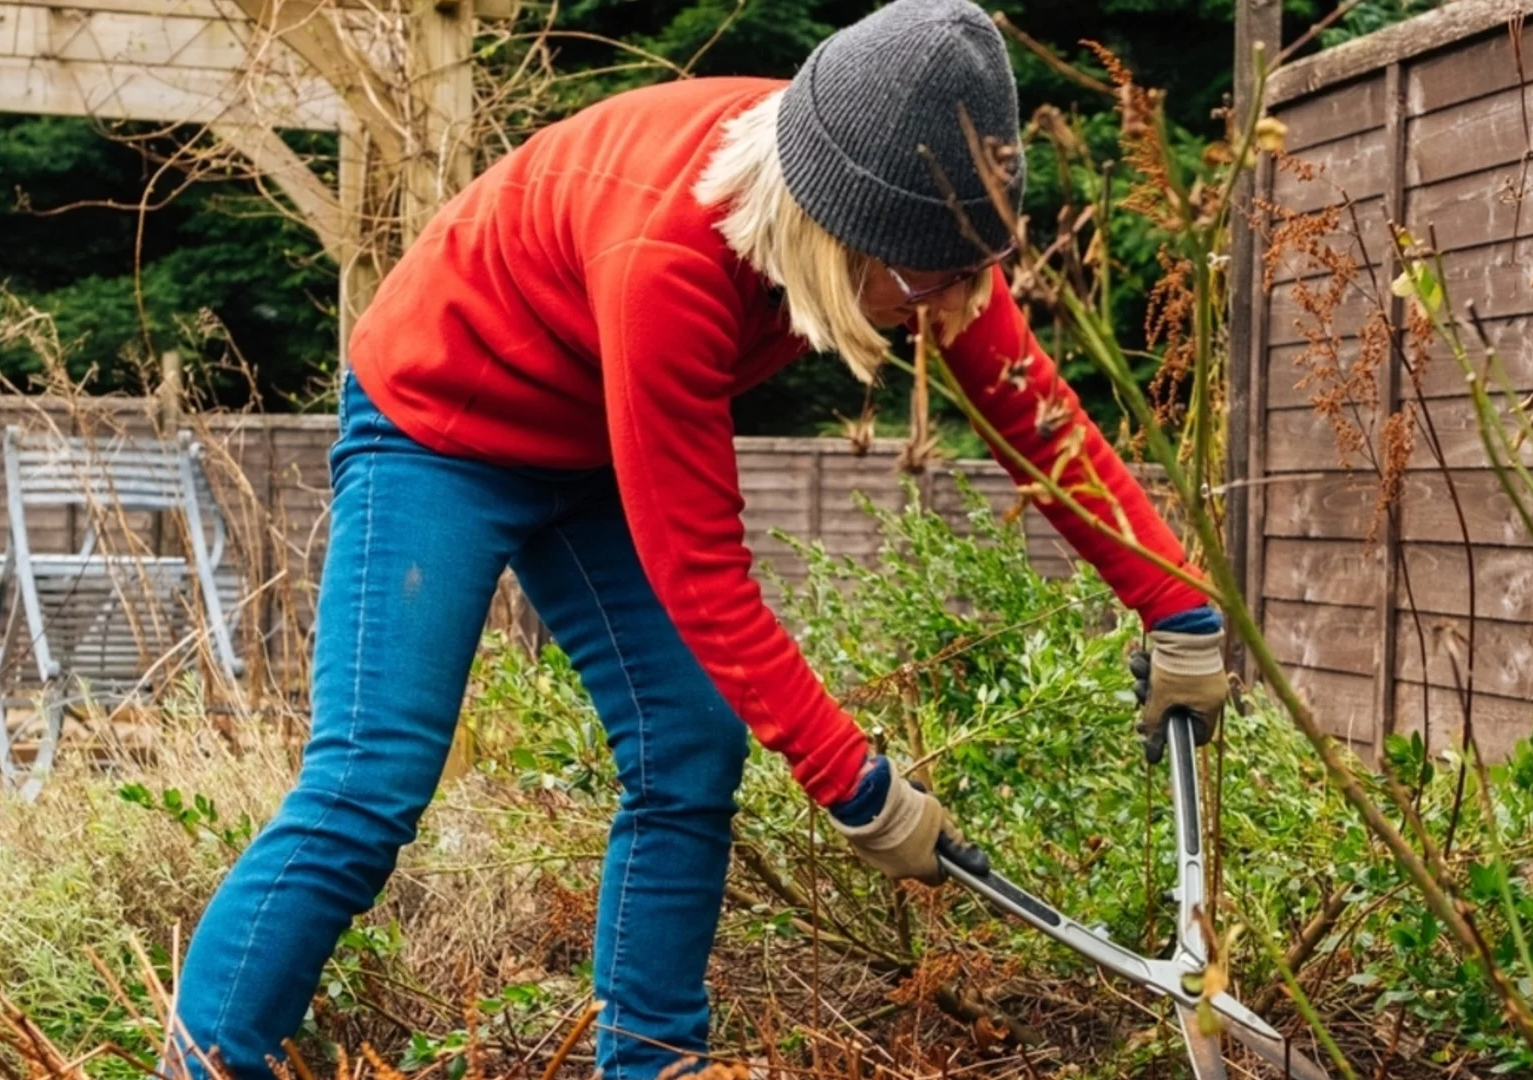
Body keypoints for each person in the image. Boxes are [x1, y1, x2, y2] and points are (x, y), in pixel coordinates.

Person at [169, 0, 1229, 1075]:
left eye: (969, 274)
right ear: (831, 227)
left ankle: (650, 1057)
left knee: (689, 747)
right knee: (370, 777)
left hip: (590, 441)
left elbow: (1031, 409)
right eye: (924, 282)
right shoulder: (667, 256)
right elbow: (702, 576)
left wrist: (1176, 605)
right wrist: (857, 787)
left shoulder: (919, 229)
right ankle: (207, 1059)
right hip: (439, 428)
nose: (948, 306)